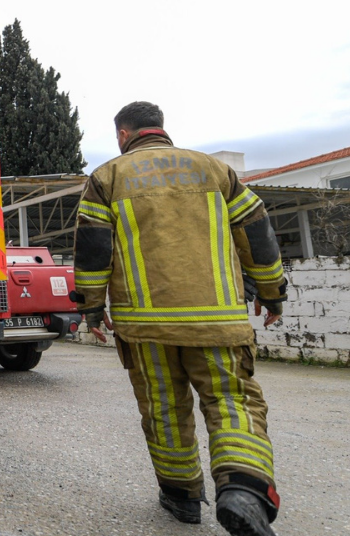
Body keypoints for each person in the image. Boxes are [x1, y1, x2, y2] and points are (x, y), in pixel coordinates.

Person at [71, 102, 287, 536]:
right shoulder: (213, 171)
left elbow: (93, 249)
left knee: (164, 409)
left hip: (144, 327)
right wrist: (271, 291)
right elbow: (257, 232)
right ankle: (244, 488)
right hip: (218, 322)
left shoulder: (109, 177)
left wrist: (91, 308)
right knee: (232, 401)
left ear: (123, 135)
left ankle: (182, 496)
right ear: (161, 129)